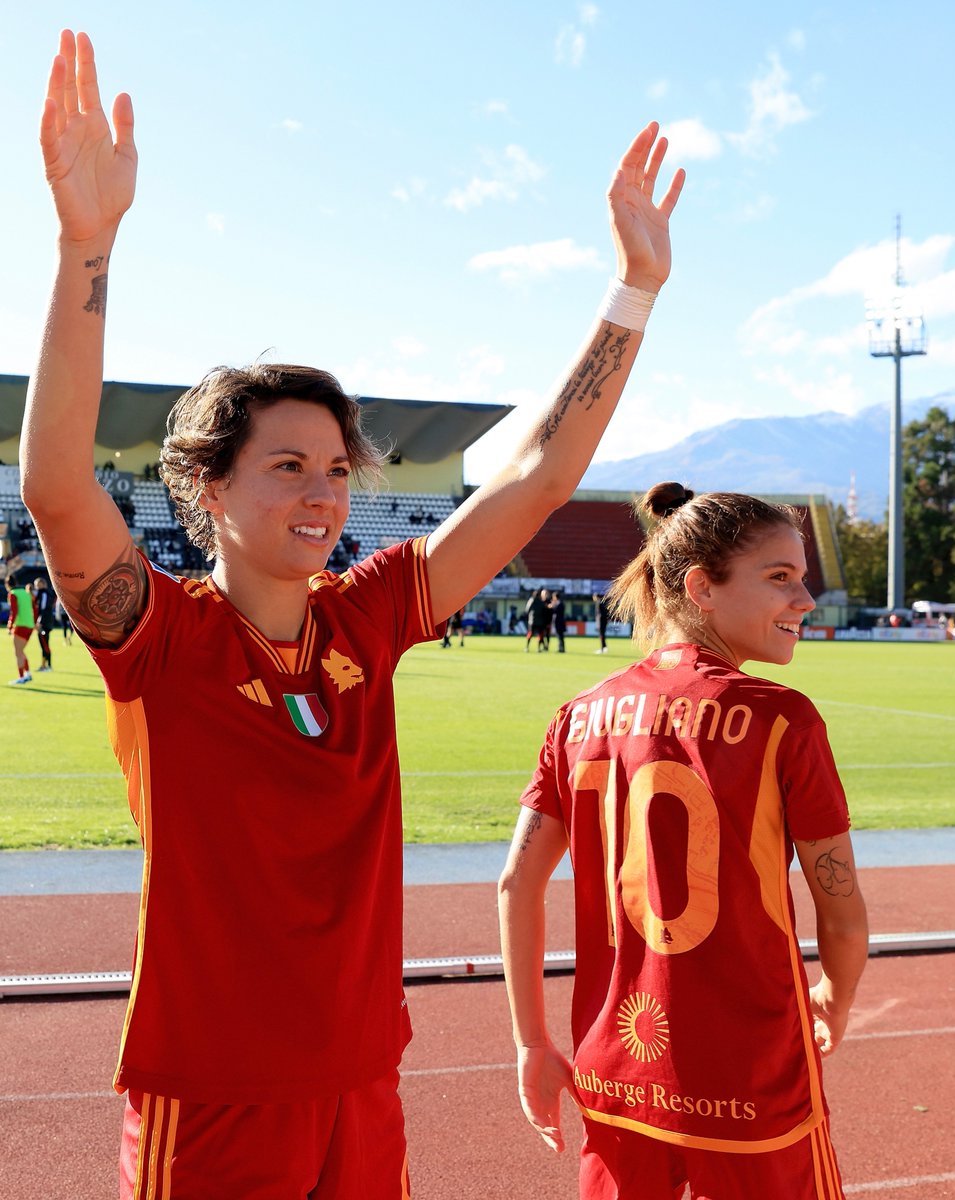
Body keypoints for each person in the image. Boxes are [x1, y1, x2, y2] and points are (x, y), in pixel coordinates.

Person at [23, 29, 682, 1198]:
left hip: (362, 1082)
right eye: (287, 467)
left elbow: (534, 475)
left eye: (336, 468)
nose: (324, 492)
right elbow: (59, 487)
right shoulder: (161, 642)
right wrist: (87, 245)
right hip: (212, 1094)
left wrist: (633, 289)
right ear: (208, 489)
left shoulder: (367, 619)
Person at [499, 482, 868, 1200]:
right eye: (780, 578)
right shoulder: (781, 720)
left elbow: (515, 883)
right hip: (751, 1076)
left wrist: (530, 1041)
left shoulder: (577, 716)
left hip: (616, 1073)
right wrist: (835, 995)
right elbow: (844, 914)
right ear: (701, 586)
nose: (805, 600)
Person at [6, 579, 37, 684]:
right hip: (30, 626)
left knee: (18, 652)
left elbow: (14, 611)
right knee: (21, 652)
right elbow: (34, 609)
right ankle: (27, 674)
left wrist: (10, 626)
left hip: (21, 625)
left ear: (7, 585)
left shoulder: (13, 593)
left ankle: (21, 677)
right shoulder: (26, 592)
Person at [33, 576, 56, 670]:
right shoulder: (46, 593)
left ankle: (48, 666)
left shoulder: (44, 593)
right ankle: (44, 665)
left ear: (42, 584)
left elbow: (44, 608)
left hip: (44, 623)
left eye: (38, 584)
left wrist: (40, 621)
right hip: (47, 621)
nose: (37, 586)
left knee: (44, 644)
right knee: (44, 644)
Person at [525, 587, 552, 653]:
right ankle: (538, 648)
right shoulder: (541, 602)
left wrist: (529, 616)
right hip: (540, 621)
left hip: (532, 620)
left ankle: (527, 647)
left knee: (530, 634)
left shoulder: (531, 600)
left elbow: (527, 610)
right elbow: (545, 609)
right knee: (540, 635)